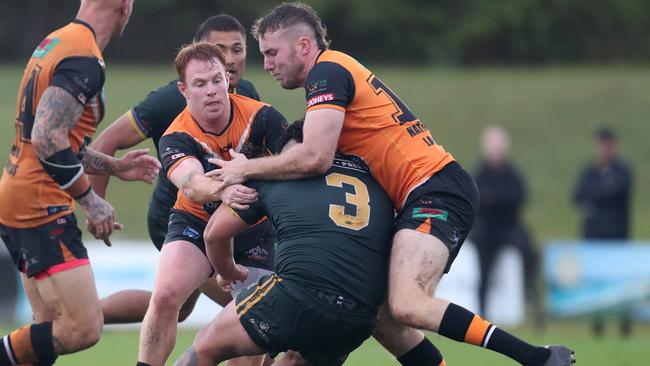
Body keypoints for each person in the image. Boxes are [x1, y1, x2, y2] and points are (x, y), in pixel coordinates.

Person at [210, 3, 574, 365]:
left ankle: (536, 358)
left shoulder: (328, 71)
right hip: (424, 193)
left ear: (304, 46)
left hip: (435, 190)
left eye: (272, 53)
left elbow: (315, 157)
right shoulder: (336, 71)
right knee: (385, 320)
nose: (268, 64)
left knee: (408, 304)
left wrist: (246, 169)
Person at [0, 1, 159, 365]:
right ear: (124, 6)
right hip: (40, 206)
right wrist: (90, 199)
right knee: (82, 328)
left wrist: (113, 166)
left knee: (45, 335)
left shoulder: (56, 41)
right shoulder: (84, 59)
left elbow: (62, 138)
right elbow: (46, 137)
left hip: (17, 195)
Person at [89, 14, 267, 325]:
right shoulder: (171, 99)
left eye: (237, 49)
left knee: (181, 308)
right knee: (253, 306)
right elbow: (107, 140)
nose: (228, 58)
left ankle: (80, 316)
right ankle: (76, 318)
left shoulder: (249, 95)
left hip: (222, 218)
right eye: (218, 48)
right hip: (176, 218)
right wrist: (97, 205)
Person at [175, 120, 395, 366]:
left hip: (299, 295)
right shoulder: (376, 181)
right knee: (294, 359)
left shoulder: (276, 177)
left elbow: (214, 234)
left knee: (205, 347)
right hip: (358, 318)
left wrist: (228, 272)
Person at [136, 42, 287, 366]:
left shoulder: (263, 117)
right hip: (195, 221)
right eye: (200, 84)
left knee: (250, 325)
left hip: (256, 229)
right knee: (164, 296)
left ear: (228, 80)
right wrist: (223, 192)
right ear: (184, 90)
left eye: (217, 80)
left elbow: (295, 164)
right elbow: (191, 184)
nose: (211, 91)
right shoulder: (176, 135)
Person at [471, 126, 540, 320]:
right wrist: (497, 200)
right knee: (483, 271)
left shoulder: (512, 174)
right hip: (486, 230)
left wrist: (494, 199)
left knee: (529, 251)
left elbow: (518, 197)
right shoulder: (480, 173)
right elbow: (477, 200)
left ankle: (530, 293)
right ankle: (481, 312)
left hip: (509, 227)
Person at [573, 127, 633, 336]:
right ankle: (597, 323)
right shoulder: (589, 172)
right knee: (596, 281)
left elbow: (621, 191)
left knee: (620, 279)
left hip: (617, 235)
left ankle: (625, 323)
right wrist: (605, 189)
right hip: (594, 236)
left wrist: (597, 193)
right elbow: (577, 195)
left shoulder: (622, 171)